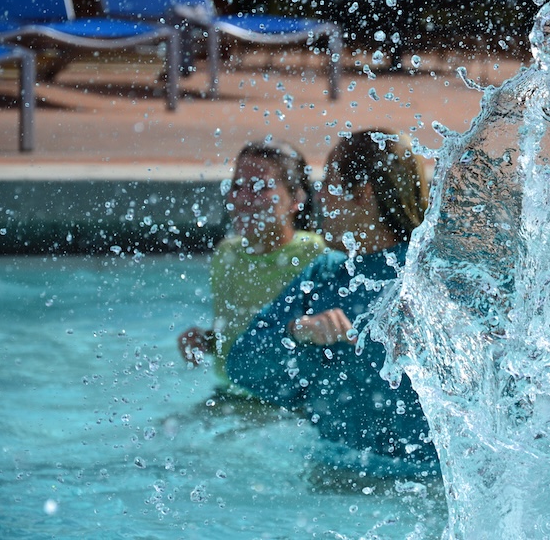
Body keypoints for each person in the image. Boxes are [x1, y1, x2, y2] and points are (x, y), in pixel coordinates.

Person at [226, 129, 437, 476]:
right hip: (333, 476)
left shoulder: (428, 280)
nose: (318, 196)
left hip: (422, 484)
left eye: (330, 184)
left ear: (363, 194)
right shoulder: (324, 275)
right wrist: (294, 334)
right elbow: (241, 366)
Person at [177, 140, 326, 393]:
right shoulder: (227, 255)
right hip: (230, 393)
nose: (244, 198)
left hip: (290, 404)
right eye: (237, 186)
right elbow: (241, 333)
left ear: (296, 199)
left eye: (260, 187)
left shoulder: (314, 254)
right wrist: (206, 341)